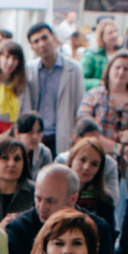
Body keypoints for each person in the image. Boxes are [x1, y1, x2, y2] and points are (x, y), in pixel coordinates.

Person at [78, 52, 128, 184]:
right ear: (109, 69)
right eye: (117, 67)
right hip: (99, 165)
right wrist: (117, 148)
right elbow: (83, 131)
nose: (121, 72)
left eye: (126, 69)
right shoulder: (93, 96)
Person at [6, 162, 75, 254]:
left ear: (73, 199)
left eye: (50, 201)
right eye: (38, 199)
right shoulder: (19, 230)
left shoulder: (97, 229)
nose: (42, 208)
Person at [22, 23, 82, 160]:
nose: (41, 44)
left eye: (44, 38)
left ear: (54, 39)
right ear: (32, 47)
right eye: (36, 41)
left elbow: (80, 107)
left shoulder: (73, 69)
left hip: (62, 135)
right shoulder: (28, 70)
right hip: (35, 137)